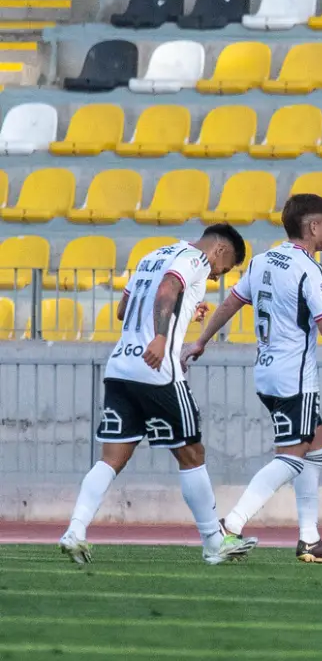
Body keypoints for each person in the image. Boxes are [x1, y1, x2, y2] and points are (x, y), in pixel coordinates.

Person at [184, 194, 322, 564]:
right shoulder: (309, 270)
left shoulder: (264, 261)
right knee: (293, 456)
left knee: (316, 444)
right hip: (294, 377)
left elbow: (231, 303)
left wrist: (201, 341)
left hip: (267, 371)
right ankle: (229, 528)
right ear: (313, 227)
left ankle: (309, 540)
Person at [59, 224, 256, 566]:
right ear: (220, 251)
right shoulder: (195, 258)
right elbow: (167, 289)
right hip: (157, 369)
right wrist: (162, 337)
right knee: (192, 453)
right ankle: (213, 542)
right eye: (221, 272)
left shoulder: (153, 255)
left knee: (111, 459)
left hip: (121, 367)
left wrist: (184, 312)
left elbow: (124, 311)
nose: (214, 278)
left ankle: (75, 530)